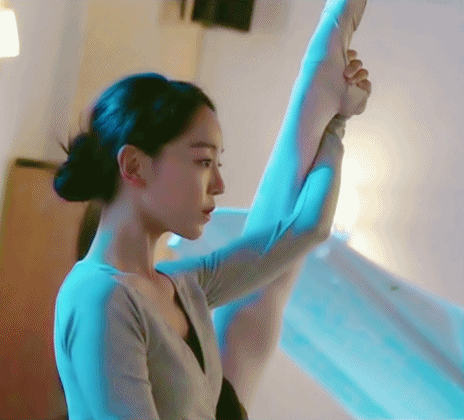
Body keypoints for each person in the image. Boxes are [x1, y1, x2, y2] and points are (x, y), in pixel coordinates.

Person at [52, 0, 371, 418]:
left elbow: (306, 228)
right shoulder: (100, 297)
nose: (218, 185)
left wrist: (337, 123)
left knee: (257, 317)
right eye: (203, 162)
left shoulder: (183, 285)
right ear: (134, 165)